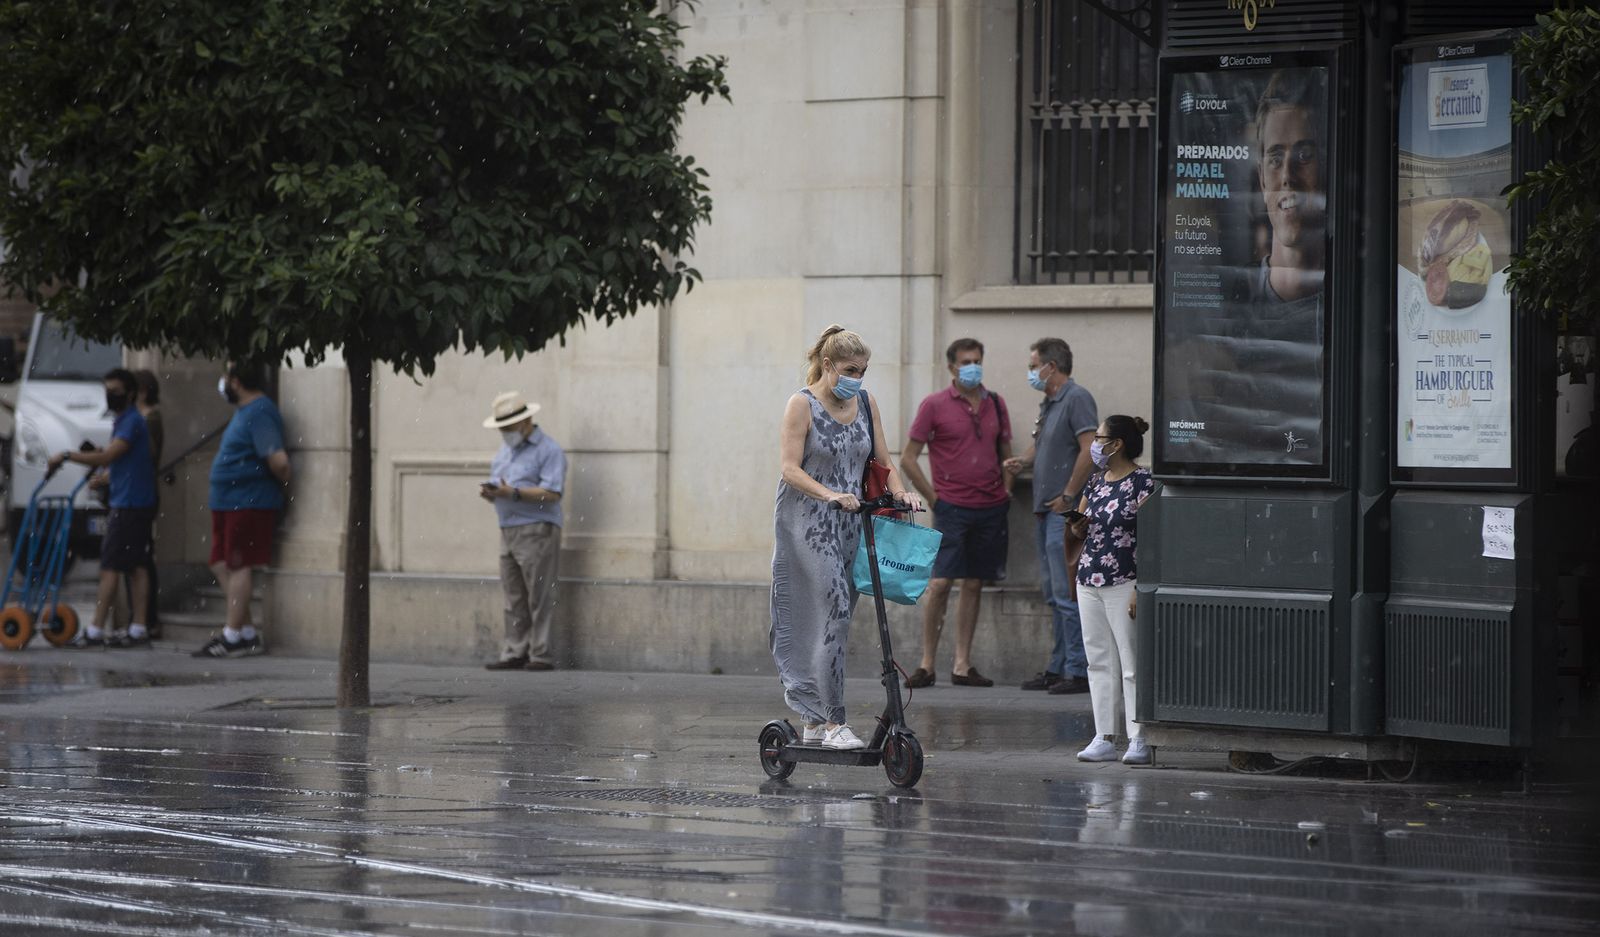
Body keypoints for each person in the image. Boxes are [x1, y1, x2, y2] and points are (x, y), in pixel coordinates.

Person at [771, 325, 923, 751]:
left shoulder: (866, 402)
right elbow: (789, 468)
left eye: (863, 370)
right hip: (808, 522)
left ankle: (812, 717)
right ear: (828, 364)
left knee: (833, 620)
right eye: (851, 369)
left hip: (853, 523)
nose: (858, 377)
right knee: (834, 609)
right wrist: (831, 494)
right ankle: (834, 722)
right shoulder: (801, 404)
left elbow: (883, 461)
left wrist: (902, 492)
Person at [898, 337, 1012, 689]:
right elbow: (908, 459)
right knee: (940, 583)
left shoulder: (995, 403)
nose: (973, 367)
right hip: (952, 509)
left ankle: (962, 664)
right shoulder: (934, 405)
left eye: (977, 360)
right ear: (951, 367)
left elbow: (1006, 452)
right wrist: (934, 498)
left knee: (974, 582)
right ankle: (927, 664)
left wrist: (1007, 490)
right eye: (966, 362)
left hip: (990, 508)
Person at [1003, 338, 1097, 695]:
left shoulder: (1077, 398)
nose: (1031, 372)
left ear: (1051, 367)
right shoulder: (1050, 402)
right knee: (1053, 594)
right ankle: (1058, 666)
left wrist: (1069, 494)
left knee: (1066, 593)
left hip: (1063, 512)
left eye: (1033, 366)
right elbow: (1042, 442)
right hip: (1045, 511)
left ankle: (1077, 669)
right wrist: (1024, 461)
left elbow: (1090, 448)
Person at [1067, 415, 1155, 765]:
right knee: (1099, 660)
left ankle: (1139, 737)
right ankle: (1104, 736)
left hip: (1125, 580)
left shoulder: (1143, 482)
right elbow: (1080, 528)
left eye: (1100, 438)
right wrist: (1077, 527)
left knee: (1131, 662)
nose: (1095, 445)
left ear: (1117, 444)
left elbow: (1152, 536)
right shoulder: (1094, 481)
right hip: (1089, 577)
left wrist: (1140, 587)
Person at [50, 369, 158, 648]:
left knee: (111, 565)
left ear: (130, 394)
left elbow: (110, 455)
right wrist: (109, 474)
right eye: (107, 391)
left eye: (115, 391)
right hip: (131, 500)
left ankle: (97, 630)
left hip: (130, 504)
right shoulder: (126, 421)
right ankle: (137, 628)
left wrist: (67, 455)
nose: (110, 396)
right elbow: (124, 460)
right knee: (135, 565)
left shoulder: (131, 421)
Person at [192, 364, 290, 658]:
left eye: (225, 378)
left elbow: (278, 461)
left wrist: (284, 482)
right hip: (229, 500)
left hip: (247, 500)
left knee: (237, 564)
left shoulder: (260, 411)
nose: (223, 384)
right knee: (220, 563)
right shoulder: (246, 411)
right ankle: (245, 632)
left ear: (236, 381)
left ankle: (233, 635)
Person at [481, 391, 567, 671]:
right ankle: (515, 650)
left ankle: (540, 654)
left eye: (509, 427)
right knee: (513, 595)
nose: (505, 433)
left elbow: (553, 493)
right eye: (502, 428)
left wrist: (513, 493)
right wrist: (493, 494)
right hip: (508, 529)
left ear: (526, 421)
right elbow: (503, 485)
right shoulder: (505, 451)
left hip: (536, 529)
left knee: (539, 595)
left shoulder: (549, 450)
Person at [134, 369, 164, 637]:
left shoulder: (149, 419)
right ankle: (143, 618)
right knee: (138, 557)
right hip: (139, 492)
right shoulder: (142, 418)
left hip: (141, 494)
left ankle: (147, 619)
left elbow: (145, 454)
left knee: (141, 557)